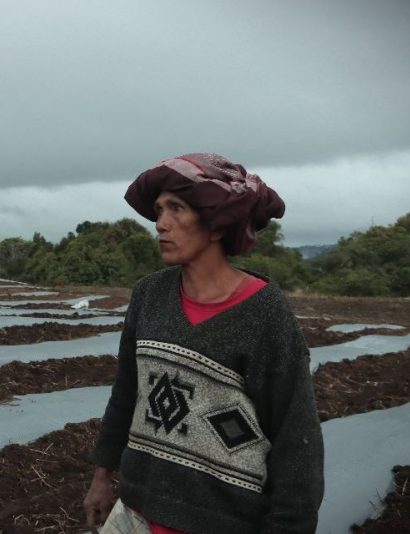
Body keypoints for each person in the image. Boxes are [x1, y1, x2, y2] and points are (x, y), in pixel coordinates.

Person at [83, 153, 324, 533]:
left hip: (221, 521)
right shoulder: (149, 296)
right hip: (136, 511)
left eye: (176, 209)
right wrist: (102, 477)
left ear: (216, 224)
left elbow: (296, 439)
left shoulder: (264, 314)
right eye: (159, 210)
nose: (160, 224)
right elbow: (128, 391)